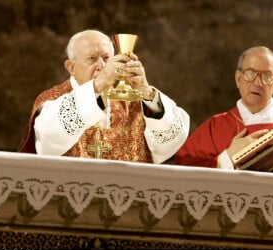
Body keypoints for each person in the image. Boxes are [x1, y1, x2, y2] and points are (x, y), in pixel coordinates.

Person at [18, 29, 190, 163]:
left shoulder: (134, 99)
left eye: (107, 58)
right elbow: (47, 139)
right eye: (92, 59)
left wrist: (146, 91)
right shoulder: (52, 99)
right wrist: (98, 85)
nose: (101, 66)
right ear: (71, 67)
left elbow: (171, 141)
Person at [174, 46, 273, 176]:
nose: (257, 82)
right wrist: (227, 158)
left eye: (267, 76)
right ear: (238, 79)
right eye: (250, 73)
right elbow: (182, 174)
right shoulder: (214, 128)